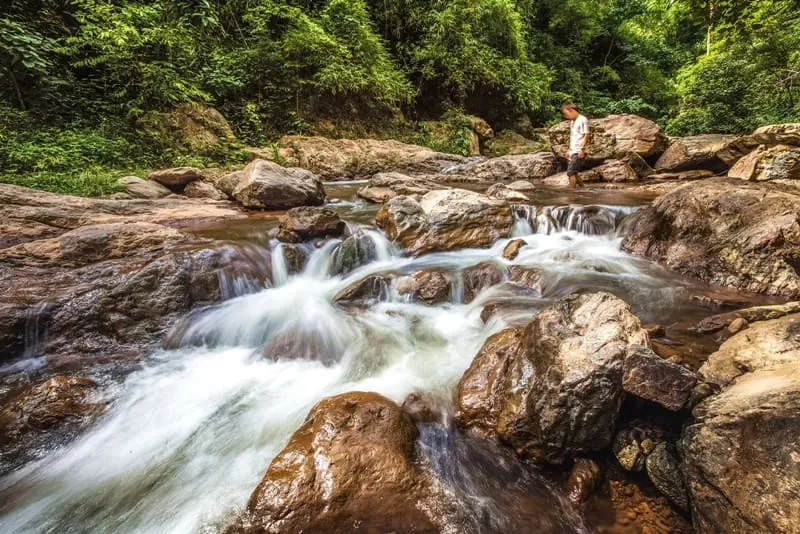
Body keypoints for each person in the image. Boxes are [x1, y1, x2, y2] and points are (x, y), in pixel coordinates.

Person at [560, 103, 589, 187]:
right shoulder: (572, 121)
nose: (566, 116)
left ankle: (571, 192)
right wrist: (569, 150)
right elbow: (574, 137)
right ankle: (582, 189)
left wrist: (582, 149)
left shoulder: (583, 119)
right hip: (573, 151)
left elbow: (586, 135)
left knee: (570, 172)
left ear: (571, 110)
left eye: (566, 114)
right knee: (574, 173)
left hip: (578, 151)